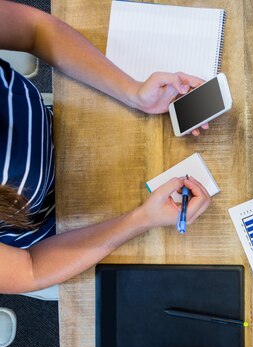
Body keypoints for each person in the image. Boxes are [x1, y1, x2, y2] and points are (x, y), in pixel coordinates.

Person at [0, 1, 212, 294]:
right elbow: (30, 269)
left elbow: (37, 31)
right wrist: (140, 220)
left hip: (68, 130)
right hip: (62, 239)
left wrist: (134, 93)